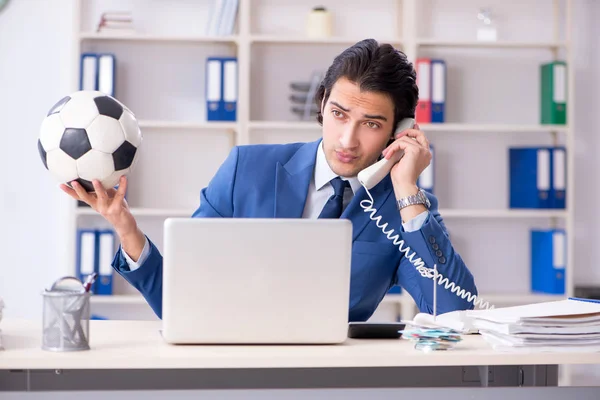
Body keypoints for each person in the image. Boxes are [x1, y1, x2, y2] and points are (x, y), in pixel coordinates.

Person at [61, 39, 477, 322]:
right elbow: (180, 300)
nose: (348, 140)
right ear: (321, 104)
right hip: (234, 373)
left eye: (370, 123)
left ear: (398, 129)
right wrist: (126, 228)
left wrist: (407, 189)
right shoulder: (248, 169)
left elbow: (454, 313)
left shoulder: (404, 209)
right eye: (338, 114)